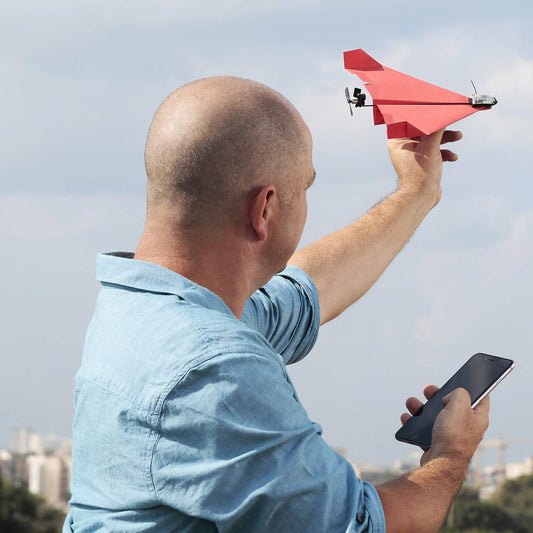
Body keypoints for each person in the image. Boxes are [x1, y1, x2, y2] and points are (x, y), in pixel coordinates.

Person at [64, 76, 489, 533]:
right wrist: (450, 455)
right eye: (305, 189)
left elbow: (308, 290)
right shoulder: (213, 367)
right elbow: (362, 526)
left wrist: (416, 193)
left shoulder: (146, 310)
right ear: (264, 209)